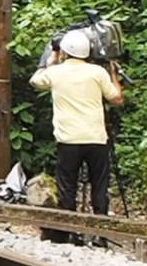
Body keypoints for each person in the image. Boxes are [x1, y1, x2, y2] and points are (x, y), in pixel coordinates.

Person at [29, 29, 123, 217]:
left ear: (64, 51)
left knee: (67, 186)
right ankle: (100, 232)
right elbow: (117, 99)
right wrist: (113, 74)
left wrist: (51, 60)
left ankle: (68, 232)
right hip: (96, 138)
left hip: (68, 139)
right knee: (100, 185)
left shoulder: (55, 72)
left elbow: (35, 81)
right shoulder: (97, 72)